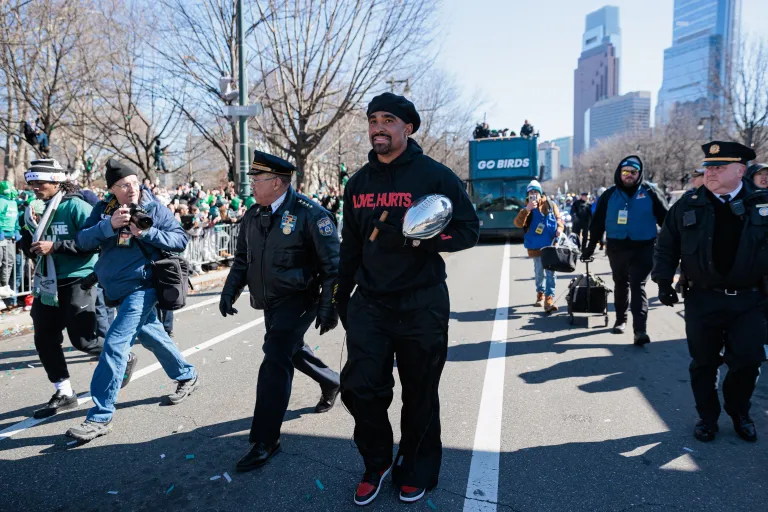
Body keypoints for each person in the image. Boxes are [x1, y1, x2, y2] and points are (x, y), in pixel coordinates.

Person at [337, 93, 479, 506]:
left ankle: (415, 467)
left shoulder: (435, 175)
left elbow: (469, 230)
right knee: (360, 388)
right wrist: (337, 297)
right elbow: (350, 245)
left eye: (387, 120)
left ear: (408, 128)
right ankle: (377, 461)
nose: (377, 127)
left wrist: (424, 239)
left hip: (422, 302)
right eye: (372, 120)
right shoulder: (358, 183)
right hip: (371, 303)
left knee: (420, 392)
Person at [220, 150, 341, 473]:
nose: (251, 188)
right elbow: (243, 259)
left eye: (257, 181)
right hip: (270, 300)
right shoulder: (253, 214)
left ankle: (265, 439)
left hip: (300, 299)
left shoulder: (311, 214)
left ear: (277, 183)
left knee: (275, 356)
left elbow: (334, 268)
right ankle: (331, 381)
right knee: (288, 349)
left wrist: (329, 307)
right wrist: (229, 290)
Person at [67, 159, 198, 441]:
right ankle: (186, 374)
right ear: (112, 188)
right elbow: (83, 240)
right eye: (124, 185)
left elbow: (180, 240)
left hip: (144, 286)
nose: (132, 189)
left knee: (115, 345)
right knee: (151, 335)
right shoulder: (103, 210)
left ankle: (99, 416)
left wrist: (147, 232)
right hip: (114, 287)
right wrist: (108, 226)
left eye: (135, 183)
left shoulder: (153, 207)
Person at [652, 141, 766, 443]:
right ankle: (707, 417)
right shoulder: (688, 205)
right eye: (709, 167)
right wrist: (663, 282)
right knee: (703, 362)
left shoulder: (761, 204)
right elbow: (666, 247)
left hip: (751, 299)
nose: (710, 172)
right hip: (703, 298)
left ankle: (739, 410)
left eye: (719, 167)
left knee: (748, 361)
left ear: (740, 170)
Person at [19, 160, 116, 419]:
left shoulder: (78, 206)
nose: (35, 187)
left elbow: (97, 243)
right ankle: (64, 392)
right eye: (32, 182)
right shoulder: (33, 210)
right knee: (44, 338)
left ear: (57, 181)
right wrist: (29, 236)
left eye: (40, 182)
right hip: (47, 282)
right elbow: (30, 246)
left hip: (78, 278)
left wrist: (56, 247)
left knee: (82, 340)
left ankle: (121, 354)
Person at [582, 156, 668, 345]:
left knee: (638, 285)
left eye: (633, 172)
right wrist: (589, 248)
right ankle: (621, 320)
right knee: (621, 284)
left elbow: (667, 221)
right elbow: (596, 224)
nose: (629, 175)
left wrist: (672, 248)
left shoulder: (651, 192)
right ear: (619, 173)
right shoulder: (609, 195)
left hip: (644, 247)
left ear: (639, 174)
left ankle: (640, 330)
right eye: (625, 172)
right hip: (617, 247)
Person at [514, 180, 564, 312]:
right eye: (531, 192)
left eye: (536, 191)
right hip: (535, 247)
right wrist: (527, 210)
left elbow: (559, 219)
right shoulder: (526, 208)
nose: (533, 194)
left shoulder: (551, 204)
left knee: (551, 273)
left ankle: (549, 298)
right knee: (539, 273)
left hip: (550, 245)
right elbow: (518, 224)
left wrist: (560, 228)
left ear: (540, 193)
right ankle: (540, 293)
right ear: (528, 194)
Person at [0, 181, 19, 298]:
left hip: (10, 236)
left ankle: (4, 286)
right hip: (1, 235)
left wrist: (17, 230)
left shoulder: (13, 203)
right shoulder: (1, 201)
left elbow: (15, 219)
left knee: (9, 261)